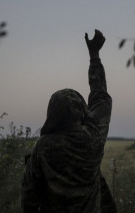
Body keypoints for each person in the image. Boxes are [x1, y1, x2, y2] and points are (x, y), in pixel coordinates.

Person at [21, 29, 117, 212]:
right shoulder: (94, 136)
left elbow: (28, 194)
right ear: (82, 111)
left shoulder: (43, 147)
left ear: (52, 113)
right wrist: (94, 55)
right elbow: (101, 97)